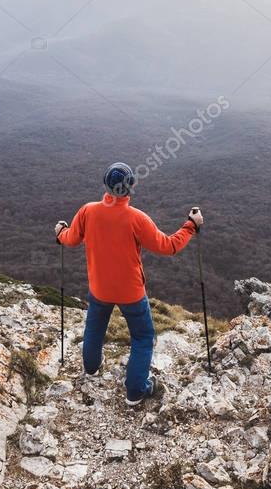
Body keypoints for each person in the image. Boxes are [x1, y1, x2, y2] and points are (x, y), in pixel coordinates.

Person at [55, 162, 204, 406]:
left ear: (105, 185)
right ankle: (136, 391)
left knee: (95, 328)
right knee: (143, 337)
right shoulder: (137, 218)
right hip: (131, 292)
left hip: (99, 288)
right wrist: (191, 225)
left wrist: (60, 231)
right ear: (130, 187)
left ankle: (91, 368)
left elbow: (70, 240)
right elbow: (169, 246)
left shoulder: (88, 211)